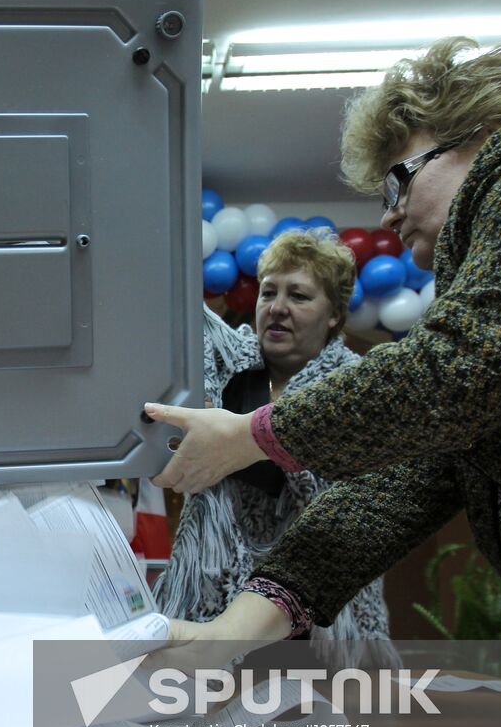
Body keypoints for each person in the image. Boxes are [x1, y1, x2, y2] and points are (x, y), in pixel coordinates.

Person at [146, 38, 501, 727]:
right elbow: (402, 480)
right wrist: (236, 628)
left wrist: (257, 434)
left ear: (483, 128)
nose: (389, 216)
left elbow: (463, 368)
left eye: (399, 180)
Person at [153, 230, 397, 672]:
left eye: (299, 295)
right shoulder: (220, 370)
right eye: (269, 292)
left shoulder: (360, 388)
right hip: (212, 596)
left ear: (334, 318)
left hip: (317, 614)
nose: (277, 306)